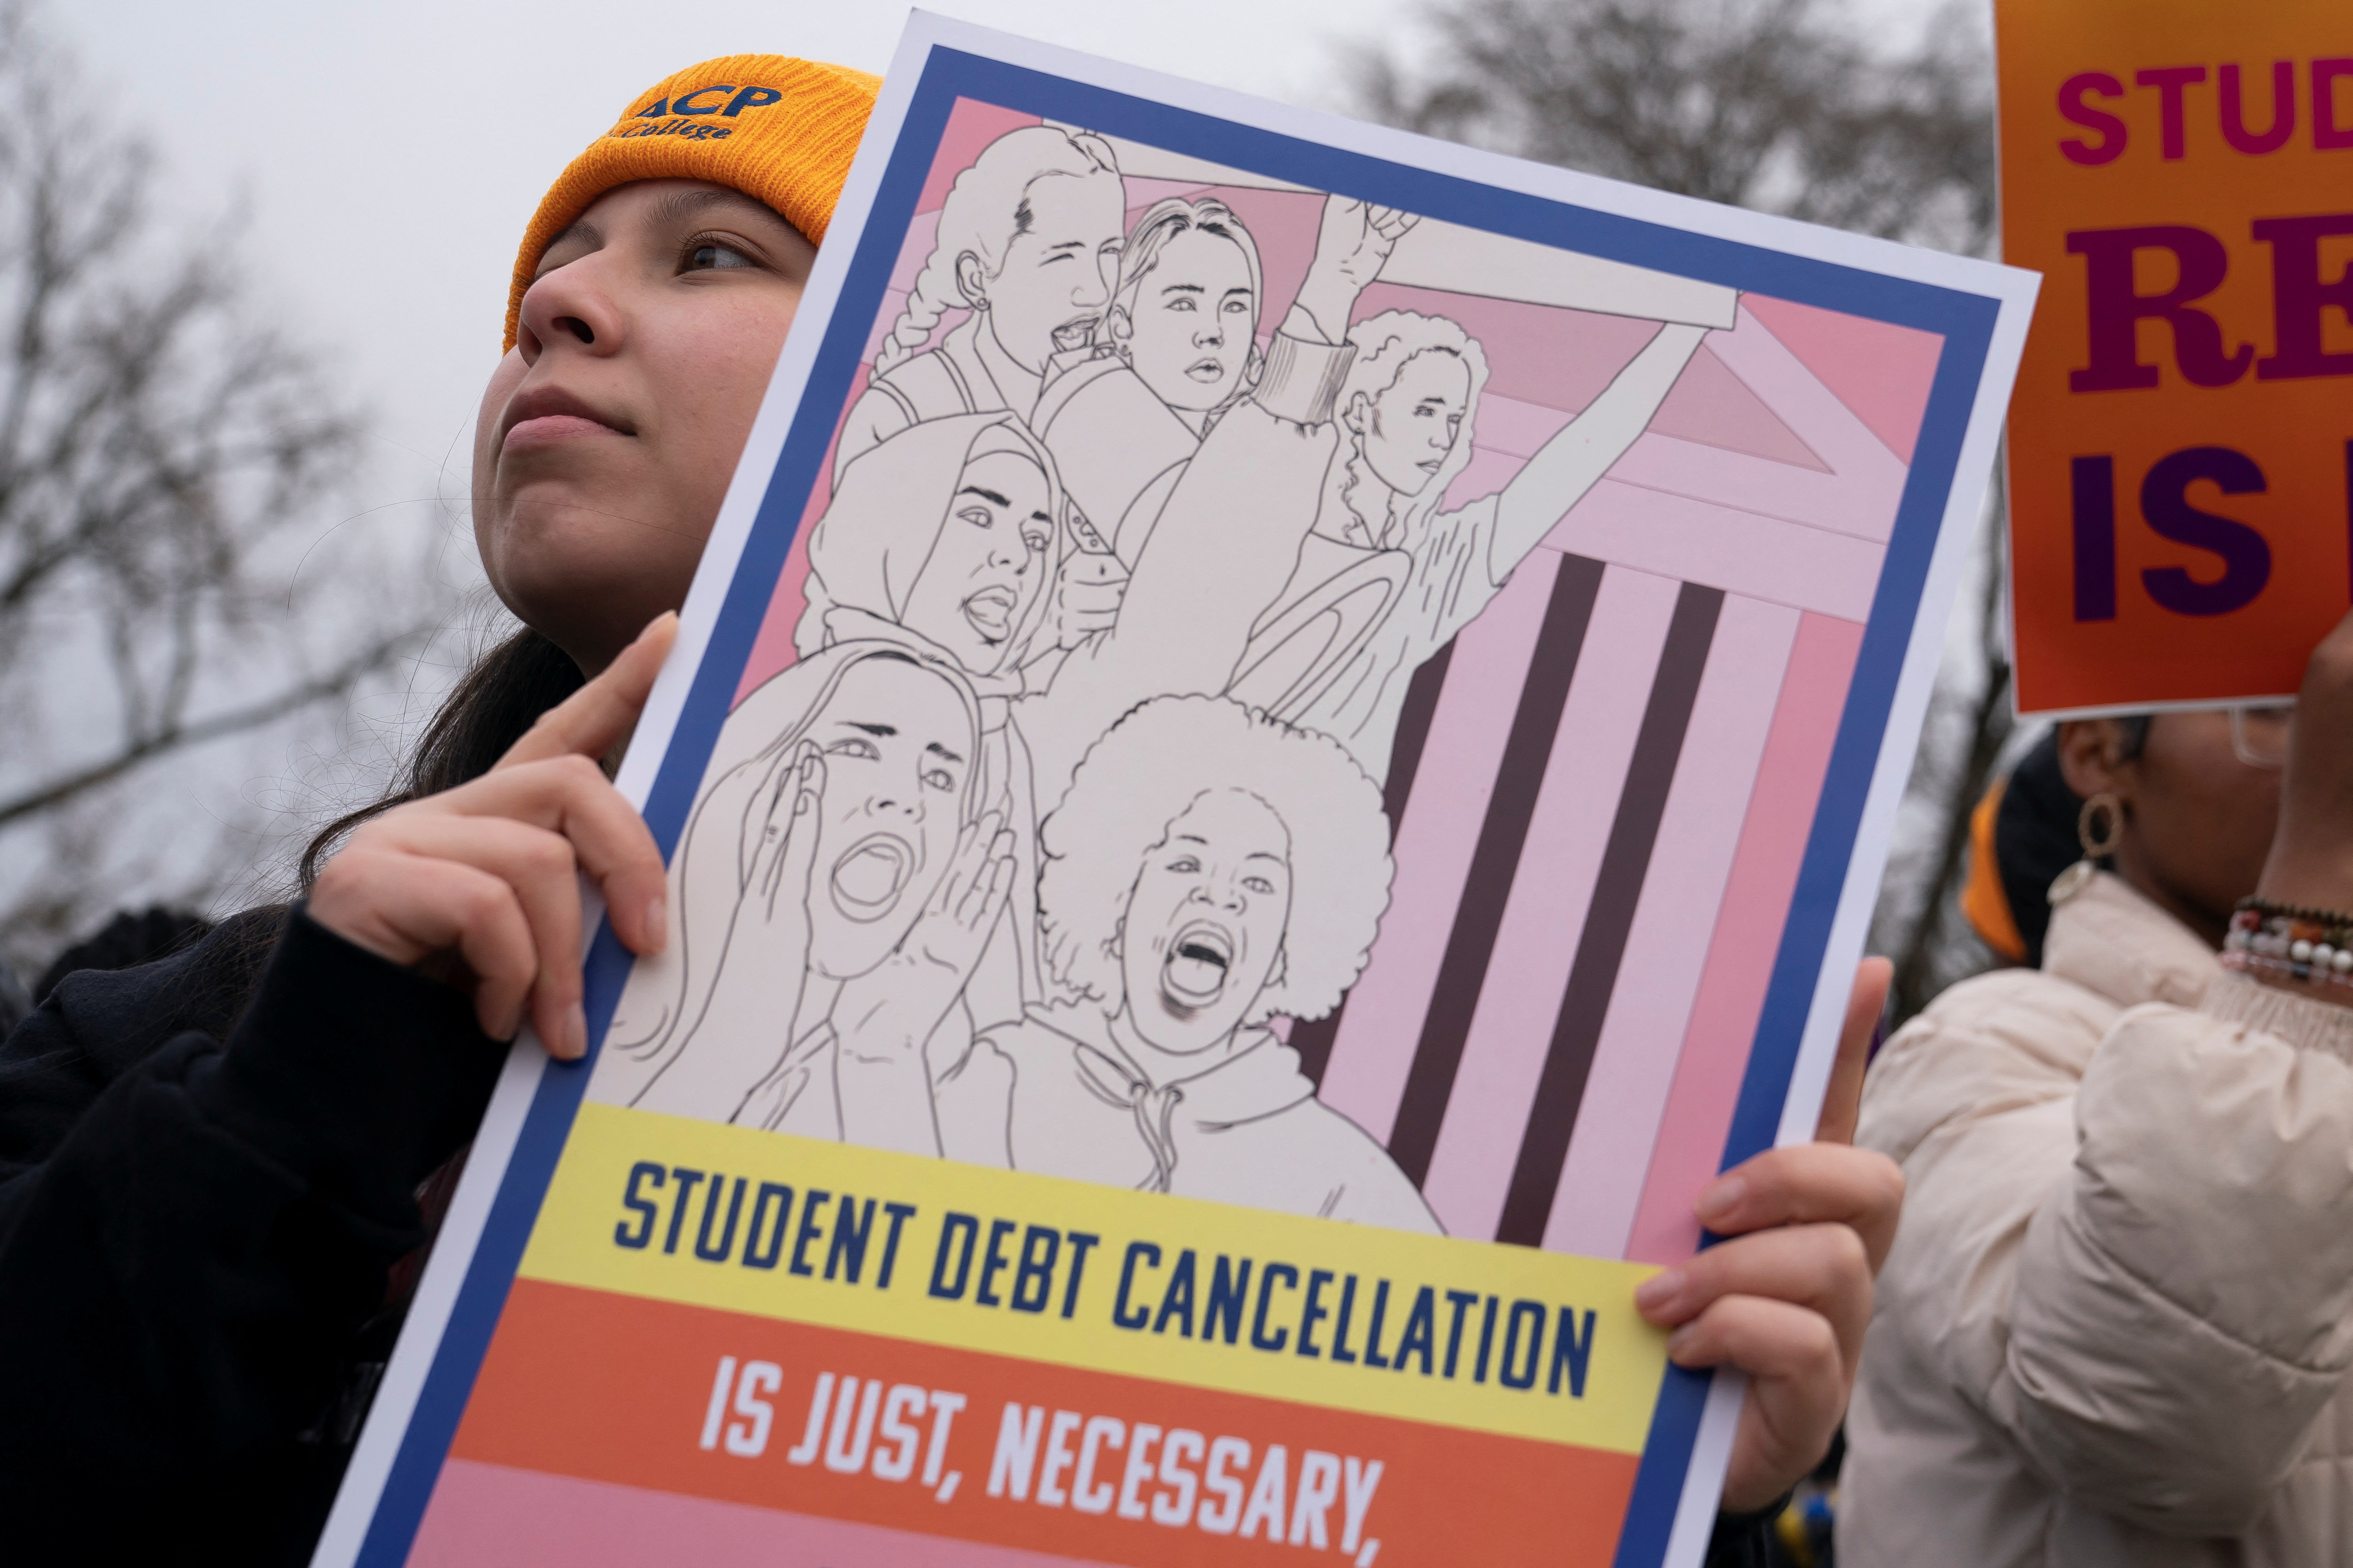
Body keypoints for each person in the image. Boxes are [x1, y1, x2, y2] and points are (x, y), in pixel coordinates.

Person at [0, 53, 1896, 1567]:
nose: (560, 303)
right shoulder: (166, 1036)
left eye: (714, 255)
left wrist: (1665, 1493)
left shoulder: (1113, 1112)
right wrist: (298, 1098)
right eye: (545, 279)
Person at [1840, 625, 2353, 1568]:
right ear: (2097, 756)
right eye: (2281, 715)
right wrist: (2318, 890)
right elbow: (2154, 1422)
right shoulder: (1977, 1046)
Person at [937, 694, 1438, 1229]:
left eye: (1258, 881)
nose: (1220, 896)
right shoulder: (993, 1077)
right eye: (1186, 862)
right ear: (1116, 900)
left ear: (1286, 952)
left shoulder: (1339, 1180)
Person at [835, 123, 1126, 475]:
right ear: (976, 280)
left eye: (1110, 252)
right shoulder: (902, 414)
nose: (1097, 292)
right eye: (1062, 257)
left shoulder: (1114, 408)